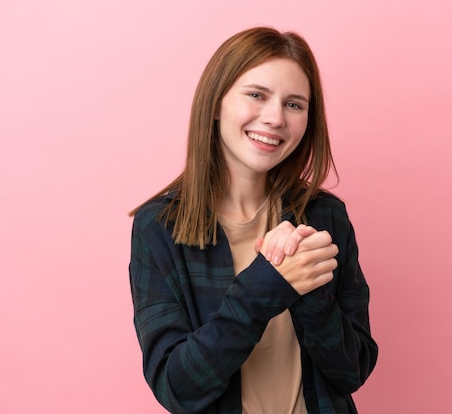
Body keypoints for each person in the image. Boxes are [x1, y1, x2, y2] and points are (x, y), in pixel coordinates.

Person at [129, 26, 378, 414]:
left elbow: (354, 370)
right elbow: (176, 386)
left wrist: (307, 288)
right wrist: (268, 284)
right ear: (215, 104)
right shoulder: (158, 227)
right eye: (257, 95)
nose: (275, 118)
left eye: (294, 104)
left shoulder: (325, 216)